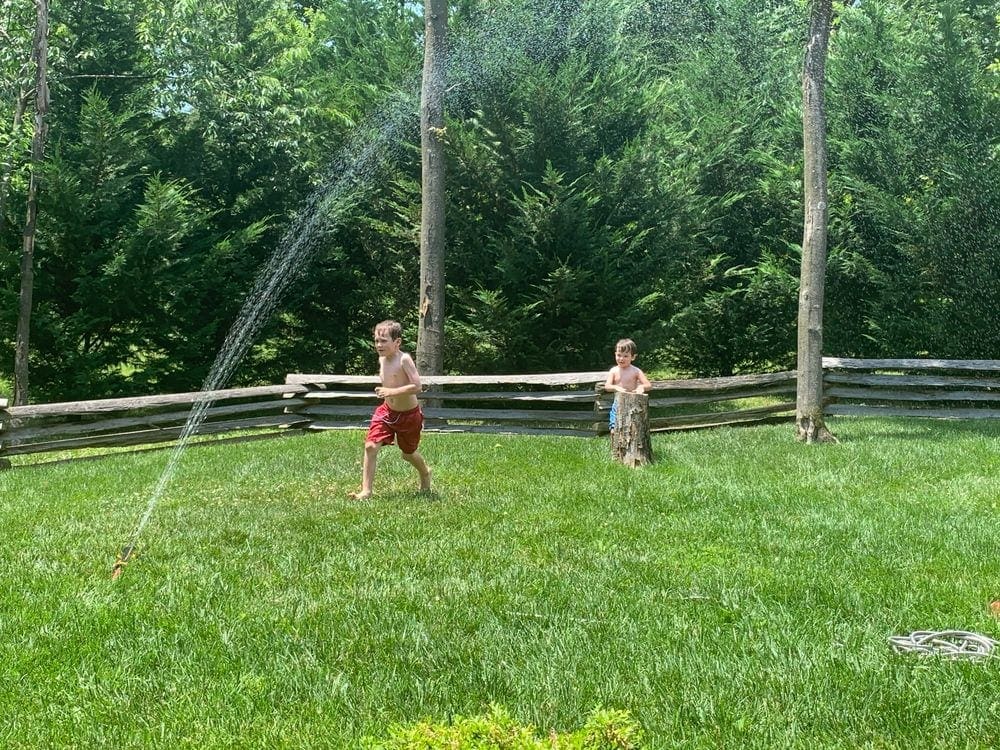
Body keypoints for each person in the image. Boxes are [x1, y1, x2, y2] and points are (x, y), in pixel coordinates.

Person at [349, 320, 432, 499]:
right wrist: (386, 393)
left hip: (409, 415)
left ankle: (425, 473)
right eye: (376, 341)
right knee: (371, 446)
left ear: (397, 342)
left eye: (384, 341)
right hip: (386, 411)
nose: (379, 345)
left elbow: (417, 386)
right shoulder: (381, 359)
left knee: (408, 454)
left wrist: (391, 391)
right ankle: (366, 491)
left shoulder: (404, 359)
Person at [604, 338, 652, 430]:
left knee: (633, 424)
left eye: (625, 356)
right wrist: (615, 387)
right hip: (618, 401)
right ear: (615, 355)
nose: (621, 358)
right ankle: (614, 431)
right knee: (614, 422)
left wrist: (641, 387)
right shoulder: (614, 371)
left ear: (633, 357)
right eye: (619, 355)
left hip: (633, 401)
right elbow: (607, 386)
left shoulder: (636, 371)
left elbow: (648, 385)